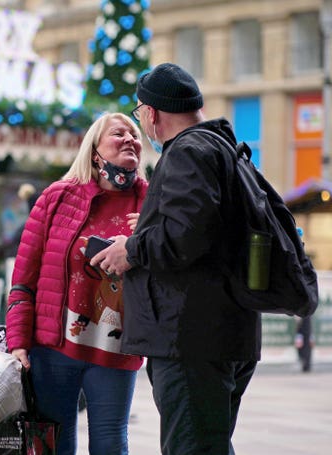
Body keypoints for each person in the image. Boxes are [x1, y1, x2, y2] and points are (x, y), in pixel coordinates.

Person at [90, 63, 261, 455]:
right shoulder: (224, 146)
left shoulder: (187, 151)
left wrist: (130, 250)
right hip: (226, 332)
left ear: (151, 113)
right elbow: (208, 230)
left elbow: (188, 234)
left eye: (139, 113)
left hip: (191, 338)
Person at [6, 112, 148, 454]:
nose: (130, 138)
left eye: (135, 134)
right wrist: (18, 340)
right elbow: (24, 278)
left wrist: (149, 235)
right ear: (95, 151)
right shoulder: (56, 198)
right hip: (54, 346)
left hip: (116, 346)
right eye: (119, 133)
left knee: (111, 443)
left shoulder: (153, 203)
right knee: (54, 444)